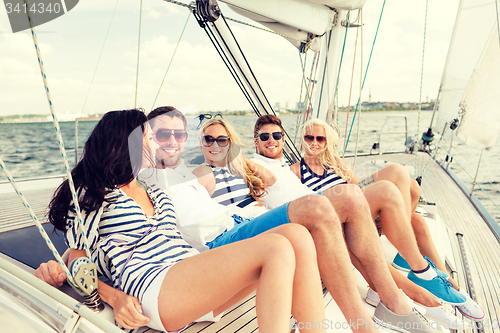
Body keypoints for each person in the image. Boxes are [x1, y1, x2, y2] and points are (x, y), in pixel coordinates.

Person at [37, 107, 439, 333]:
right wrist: (114, 296)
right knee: (279, 245)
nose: (152, 143)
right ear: (119, 143)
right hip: (155, 289)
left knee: (297, 236)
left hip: (189, 275)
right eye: (145, 137)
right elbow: (77, 257)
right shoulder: (94, 197)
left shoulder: (154, 189)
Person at [290, 118, 484, 321]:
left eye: (320, 138)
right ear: (302, 140)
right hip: (338, 218)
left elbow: (357, 186)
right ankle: (416, 265)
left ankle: (444, 279)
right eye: (309, 137)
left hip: (357, 207)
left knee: (413, 195)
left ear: (326, 142)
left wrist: (338, 163)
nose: (314, 142)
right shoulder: (296, 171)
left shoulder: (334, 164)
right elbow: (303, 207)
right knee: (397, 172)